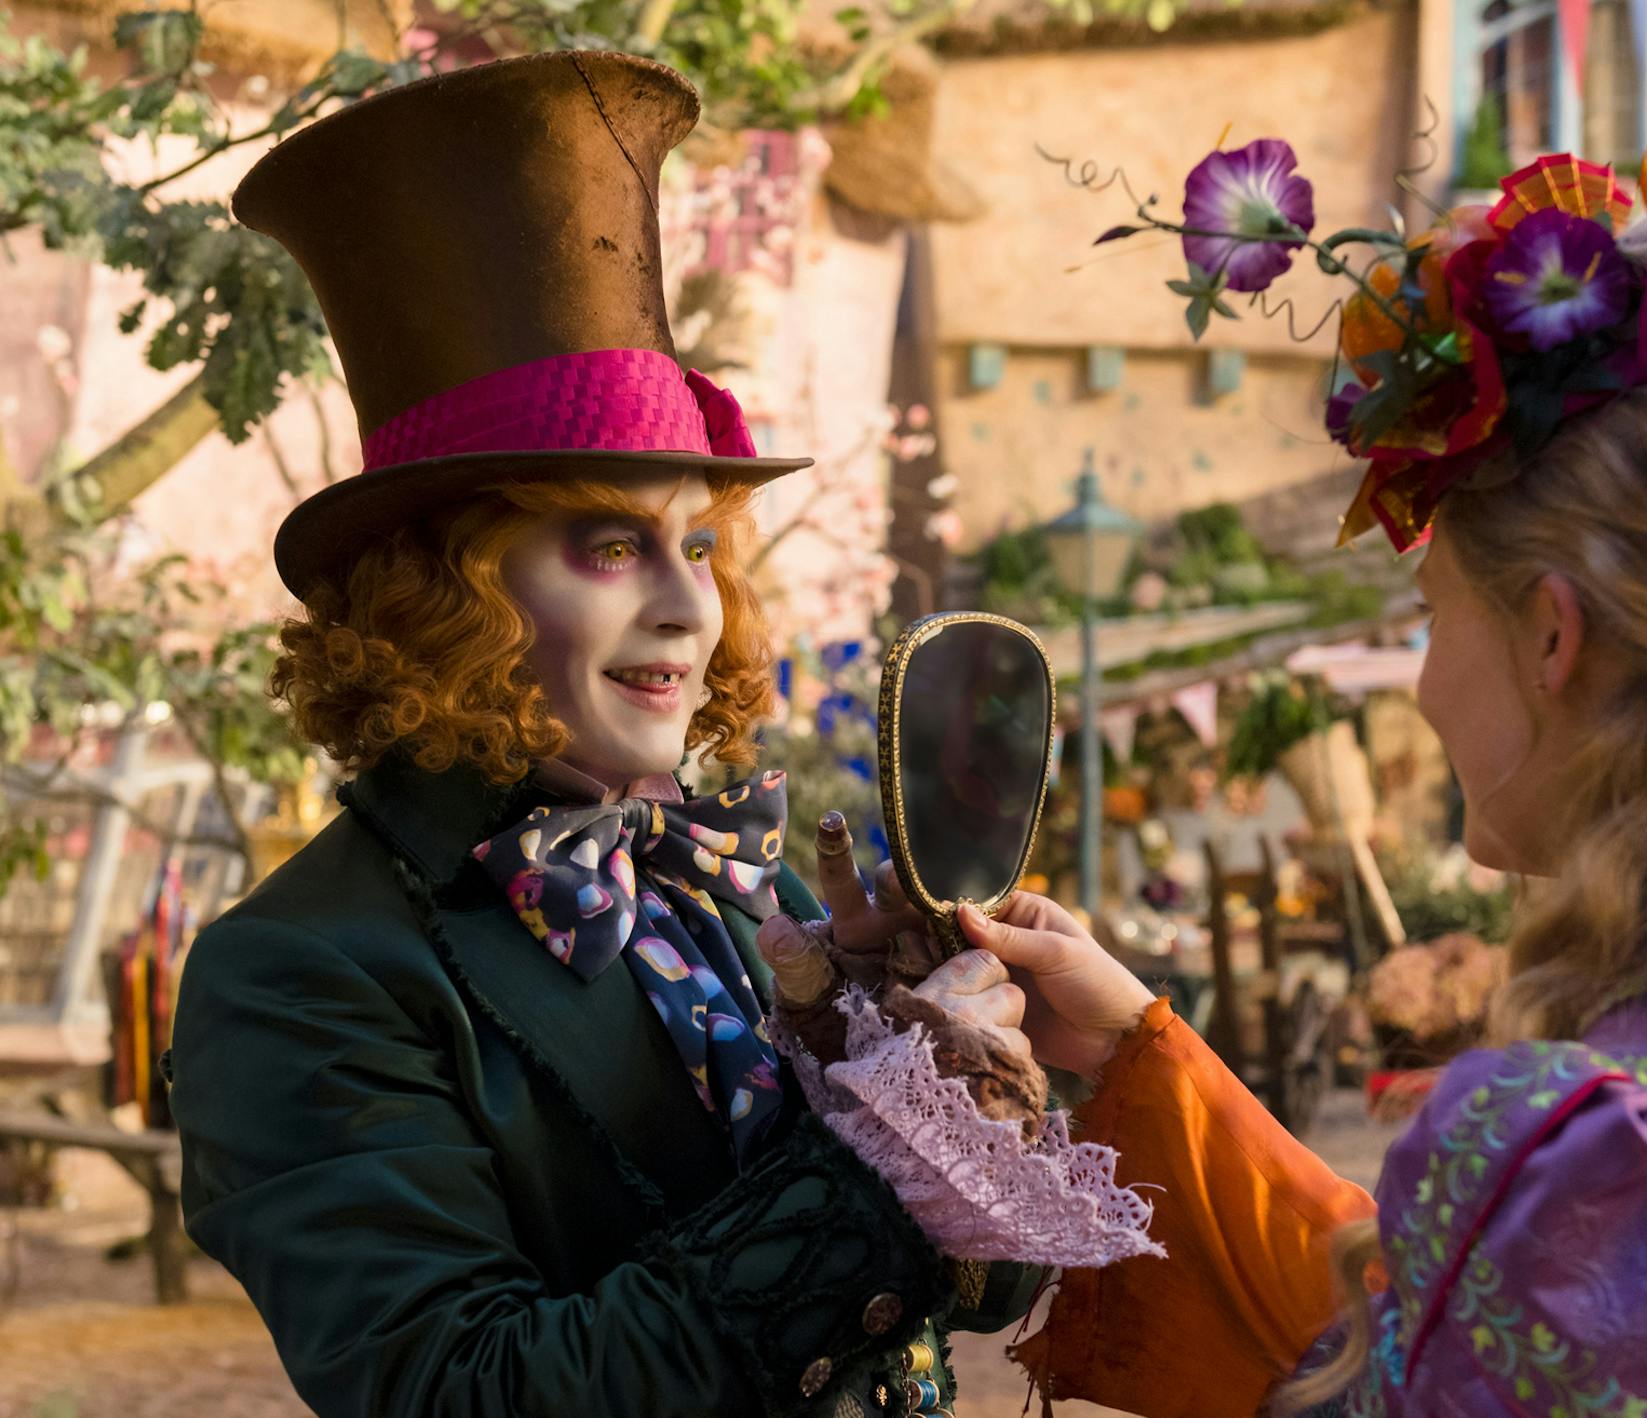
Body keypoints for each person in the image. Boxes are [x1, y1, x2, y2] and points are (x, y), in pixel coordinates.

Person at [784, 5, 1647, 1415]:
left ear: (1554, 635)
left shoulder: (1605, 1161)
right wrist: (1143, 1041)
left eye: (1437, 616)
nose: (1430, 683)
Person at [167, 52, 1035, 1417]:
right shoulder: (296, 970)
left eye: (698, 541)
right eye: (612, 545)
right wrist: (876, 1153)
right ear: (439, 587)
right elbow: (469, 1392)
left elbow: (973, 1292)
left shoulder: (733, 880)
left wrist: (916, 1054)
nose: (691, 603)